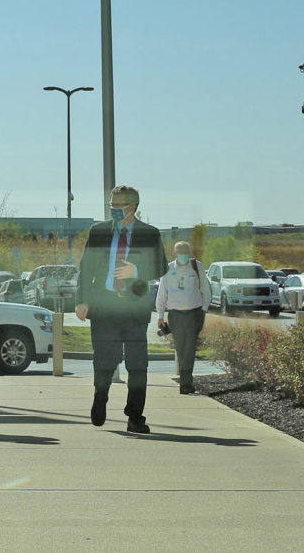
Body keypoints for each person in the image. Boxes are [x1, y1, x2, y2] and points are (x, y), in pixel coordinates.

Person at [75, 184, 168, 434]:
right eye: (111, 205)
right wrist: (81, 300)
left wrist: (136, 271)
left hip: (133, 306)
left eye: (118, 206)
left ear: (132, 207)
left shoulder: (150, 233)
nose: (114, 209)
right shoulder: (99, 231)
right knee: (105, 359)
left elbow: (161, 267)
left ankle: (135, 416)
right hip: (104, 304)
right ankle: (100, 396)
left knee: (138, 365)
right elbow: (86, 268)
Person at [156, 240, 210, 395]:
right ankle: (186, 383)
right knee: (181, 350)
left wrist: (204, 310)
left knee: (190, 349)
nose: (184, 255)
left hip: (194, 314)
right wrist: (160, 316)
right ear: (175, 254)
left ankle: (185, 385)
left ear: (190, 252)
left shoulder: (196, 266)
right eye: (180, 252)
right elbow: (162, 295)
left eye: (186, 252)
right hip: (176, 315)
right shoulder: (167, 269)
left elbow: (205, 289)